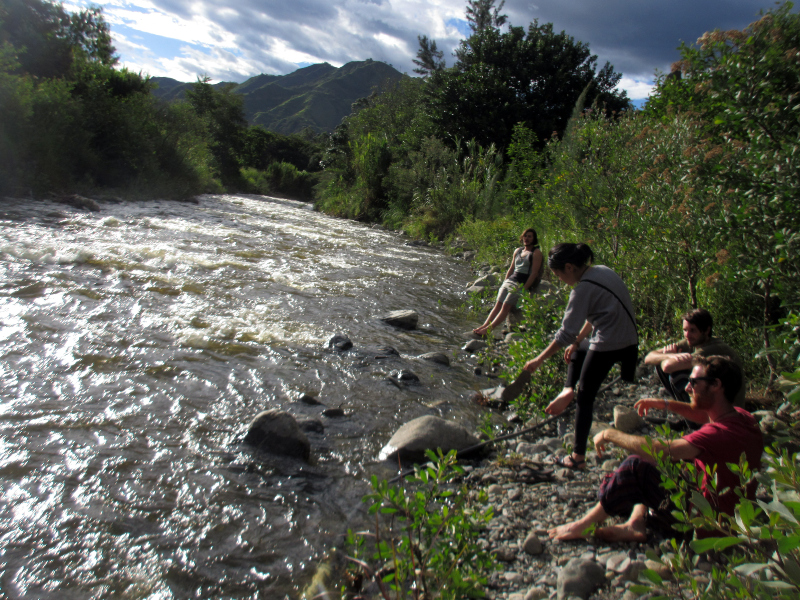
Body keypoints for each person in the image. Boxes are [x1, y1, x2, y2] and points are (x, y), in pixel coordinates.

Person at [548, 355, 763, 542]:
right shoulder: (742, 417)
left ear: (716, 385)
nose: (687, 388)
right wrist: (663, 404)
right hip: (729, 512)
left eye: (694, 382)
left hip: (708, 524)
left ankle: (584, 525)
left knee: (637, 465)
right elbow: (701, 413)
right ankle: (635, 523)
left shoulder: (718, 434)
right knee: (664, 467)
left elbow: (660, 450)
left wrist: (610, 434)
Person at [523, 243, 638, 470]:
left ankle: (577, 457)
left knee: (585, 397)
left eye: (557, 275)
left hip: (610, 344)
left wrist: (538, 359)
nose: (558, 279)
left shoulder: (581, 289)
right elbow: (593, 316)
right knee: (578, 348)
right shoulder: (602, 270)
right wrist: (577, 342)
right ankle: (567, 388)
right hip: (630, 342)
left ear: (569, 267)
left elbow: (565, 333)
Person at [644, 308, 745, 407]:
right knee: (660, 366)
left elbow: (668, 367)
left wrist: (669, 357)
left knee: (677, 376)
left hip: (728, 407)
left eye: (693, 330)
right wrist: (671, 355)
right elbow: (648, 358)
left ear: (706, 330)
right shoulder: (692, 341)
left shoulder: (712, 349)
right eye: (685, 330)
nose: (687, 335)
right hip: (713, 398)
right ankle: (688, 416)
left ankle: (694, 420)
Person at [473, 228, 544, 336]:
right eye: (525, 236)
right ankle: (484, 326)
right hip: (510, 280)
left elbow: (534, 273)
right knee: (498, 304)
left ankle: (488, 330)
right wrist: (505, 281)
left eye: (530, 236)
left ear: (534, 239)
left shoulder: (536, 252)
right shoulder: (518, 250)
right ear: (522, 237)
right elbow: (511, 268)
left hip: (520, 283)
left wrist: (524, 288)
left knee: (506, 306)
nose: (527, 238)